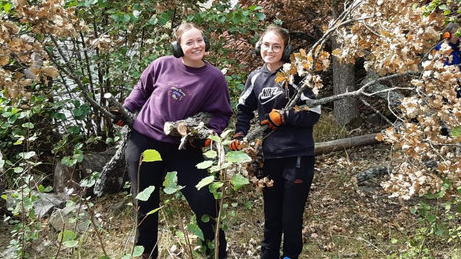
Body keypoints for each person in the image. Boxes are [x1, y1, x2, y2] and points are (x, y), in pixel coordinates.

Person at [116, 22, 232, 259]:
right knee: (145, 207)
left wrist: (209, 136)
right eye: (189, 42)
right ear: (178, 46)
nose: (196, 45)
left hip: (183, 147)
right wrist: (125, 109)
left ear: (206, 43)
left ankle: (217, 253)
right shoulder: (162, 65)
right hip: (144, 142)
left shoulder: (214, 78)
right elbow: (141, 90)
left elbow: (222, 114)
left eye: (199, 40)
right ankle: (146, 255)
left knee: (204, 201)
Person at [230, 24, 321, 259]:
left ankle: (290, 255)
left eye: (276, 46)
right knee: (272, 215)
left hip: (297, 155)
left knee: (291, 216)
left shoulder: (298, 75)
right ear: (259, 45)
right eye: (266, 45)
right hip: (269, 156)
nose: (270, 50)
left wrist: (285, 116)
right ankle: (267, 255)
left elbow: (314, 113)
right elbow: (243, 109)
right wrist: (240, 134)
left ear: (285, 49)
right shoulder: (256, 78)